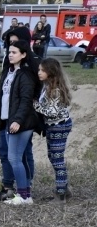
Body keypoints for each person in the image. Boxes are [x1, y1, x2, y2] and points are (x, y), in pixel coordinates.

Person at [0, 40, 41, 205]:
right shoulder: (8, 72)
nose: (10, 55)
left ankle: (23, 196)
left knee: (15, 158)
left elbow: (26, 101)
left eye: (14, 52)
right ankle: (25, 195)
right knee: (16, 158)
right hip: (8, 120)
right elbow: (3, 99)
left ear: (23, 54)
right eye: (9, 52)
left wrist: (18, 121)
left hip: (21, 122)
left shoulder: (25, 75)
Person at [34, 58, 74, 202]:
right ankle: (64, 189)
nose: (39, 72)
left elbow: (52, 112)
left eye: (42, 70)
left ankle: (61, 193)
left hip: (59, 125)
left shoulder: (55, 90)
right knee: (53, 157)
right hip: (52, 126)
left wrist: (35, 105)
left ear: (51, 72)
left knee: (57, 160)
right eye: (39, 69)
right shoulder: (47, 86)